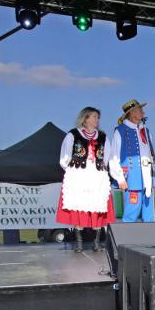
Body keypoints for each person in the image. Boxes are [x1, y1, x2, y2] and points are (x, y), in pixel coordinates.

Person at [56, 106, 114, 253]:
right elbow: (64, 158)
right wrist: (74, 172)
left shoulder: (103, 137)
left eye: (98, 117)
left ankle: (96, 243)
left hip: (96, 175)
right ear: (85, 118)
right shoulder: (73, 135)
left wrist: (98, 169)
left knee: (98, 206)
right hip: (79, 174)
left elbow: (107, 158)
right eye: (94, 117)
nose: (97, 120)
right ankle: (79, 243)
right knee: (79, 207)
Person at [108, 99, 155, 223]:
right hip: (131, 177)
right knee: (132, 210)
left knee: (149, 212)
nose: (143, 112)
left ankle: (150, 235)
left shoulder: (145, 131)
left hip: (148, 177)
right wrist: (120, 178)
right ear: (132, 113)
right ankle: (126, 234)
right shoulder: (120, 131)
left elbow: (150, 154)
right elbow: (114, 156)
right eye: (140, 110)